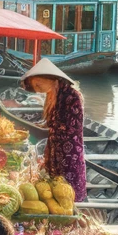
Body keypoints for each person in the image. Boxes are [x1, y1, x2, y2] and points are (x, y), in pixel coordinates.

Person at [21, 59, 88, 201]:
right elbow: (54, 120)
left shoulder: (72, 95)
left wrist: (50, 127)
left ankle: (73, 206)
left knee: (67, 188)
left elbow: (71, 126)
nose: (38, 90)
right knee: (53, 184)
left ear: (49, 79)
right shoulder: (53, 95)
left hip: (69, 150)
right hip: (54, 145)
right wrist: (45, 125)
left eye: (38, 85)